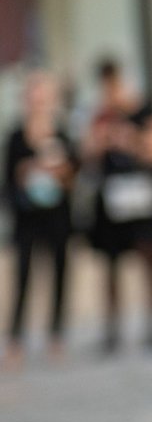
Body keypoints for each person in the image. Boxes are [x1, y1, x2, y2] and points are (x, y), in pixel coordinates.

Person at [82, 56, 152, 353]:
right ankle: (112, 330)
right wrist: (102, 140)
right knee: (110, 266)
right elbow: (86, 156)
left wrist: (131, 140)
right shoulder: (99, 116)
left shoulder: (144, 111)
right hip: (111, 201)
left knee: (149, 261)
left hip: (141, 197)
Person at [3, 70, 77, 367]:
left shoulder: (61, 133)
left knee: (59, 273)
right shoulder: (15, 136)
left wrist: (60, 172)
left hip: (57, 217)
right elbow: (8, 180)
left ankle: (56, 334)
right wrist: (25, 172)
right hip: (27, 218)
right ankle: (15, 338)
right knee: (22, 277)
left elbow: (74, 175)